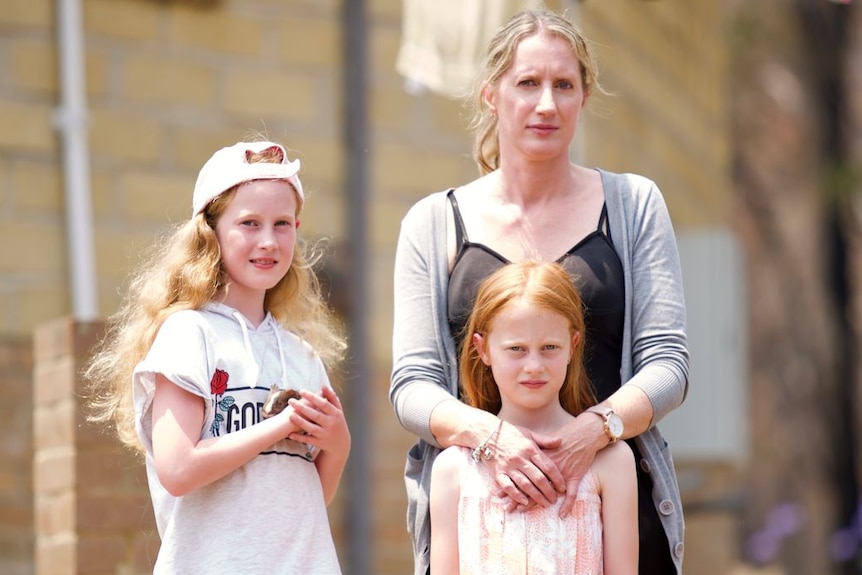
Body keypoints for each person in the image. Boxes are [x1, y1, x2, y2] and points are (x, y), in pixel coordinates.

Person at [389, 8, 689, 575]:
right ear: (491, 95)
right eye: (527, 83)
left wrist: (593, 432)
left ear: (583, 97)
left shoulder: (633, 205)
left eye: (564, 85)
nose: (546, 103)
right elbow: (412, 385)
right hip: (483, 517)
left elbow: (668, 365)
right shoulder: (433, 222)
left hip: (613, 510)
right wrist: (491, 440)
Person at [85, 139, 350, 574]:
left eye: (282, 223)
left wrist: (338, 447)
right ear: (210, 232)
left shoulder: (302, 355)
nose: (268, 240)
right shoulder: (190, 334)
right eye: (249, 223)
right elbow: (179, 468)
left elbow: (301, 502)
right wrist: (279, 426)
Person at [430, 261, 638, 574]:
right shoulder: (453, 469)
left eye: (549, 347)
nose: (534, 365)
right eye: (516, 349)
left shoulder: (613, 461)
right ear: (483, 349)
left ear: (573, 346)